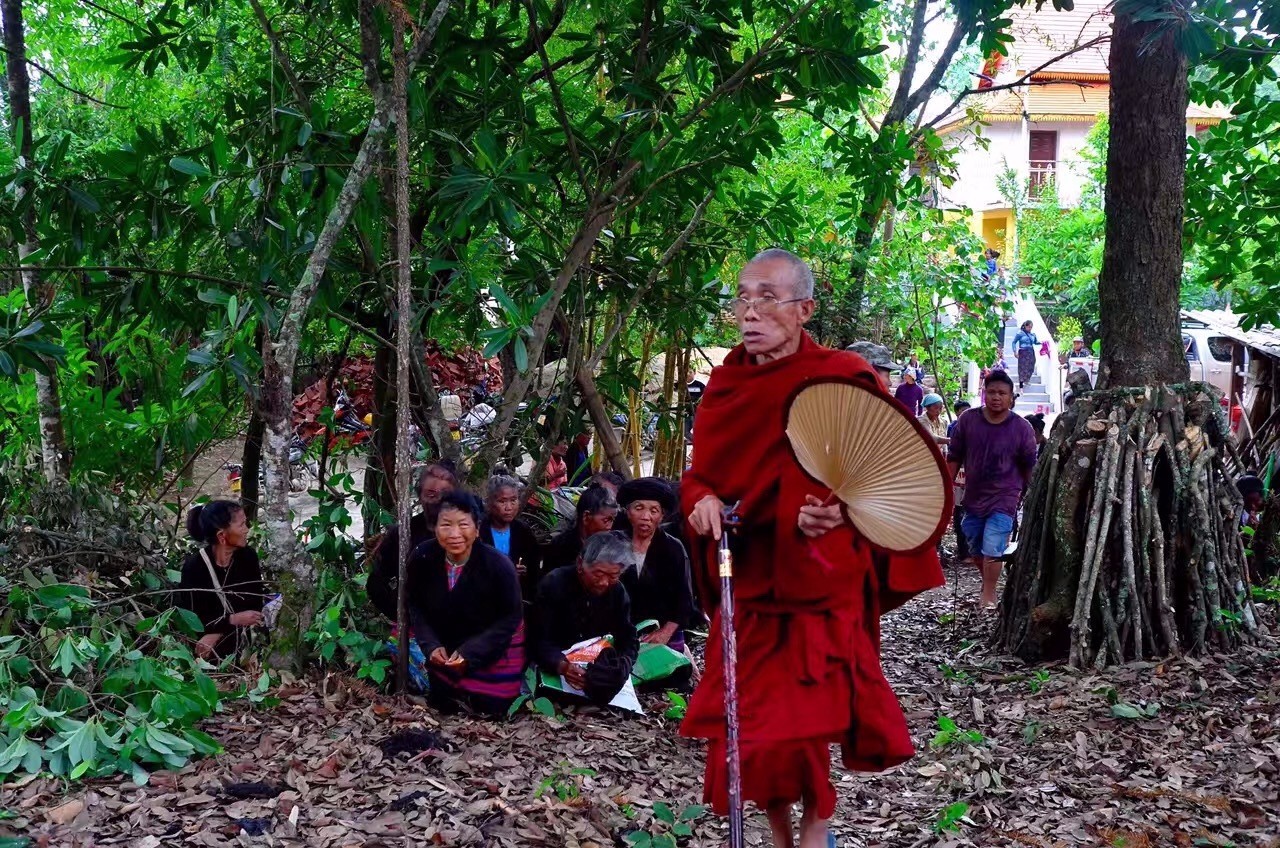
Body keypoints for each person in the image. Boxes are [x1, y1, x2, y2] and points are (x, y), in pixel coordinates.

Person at [681, 248, 945, 848]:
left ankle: (817, 832)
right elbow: (702, 474)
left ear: (805, 309)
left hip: (819, 589)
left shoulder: (843, 377)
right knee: (755, 735)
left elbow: (882, 478)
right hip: (750, 583)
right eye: (742, 297)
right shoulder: (725, 385)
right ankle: (780, 836)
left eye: (767, 297)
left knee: (811, 727)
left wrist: (838, 514)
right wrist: (698, 498)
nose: (751, 311)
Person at [407, 490, 525, 715]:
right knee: (444, 703)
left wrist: (471, 652)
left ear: (477, 528)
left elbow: (511, 617)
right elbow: (415, 605)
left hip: (493, 647)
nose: (454, 534)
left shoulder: (499, 566)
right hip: (447, 648)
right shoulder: (423, 557)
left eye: (463, 525)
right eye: (446, 525)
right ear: (435, 527)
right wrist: (431, 646)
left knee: (491, 708)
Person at [947, 370, 1039, 609]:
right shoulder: (967, 420)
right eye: (991, 392)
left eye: (1002, 393)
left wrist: (1031, 494)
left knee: (993, 545)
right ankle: (988, 583)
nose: (996, 397)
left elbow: (1029, 466)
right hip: (974, 496)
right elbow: (954, 456)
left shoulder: (1022, 428)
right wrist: (945, 488)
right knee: (976, 547)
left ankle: (989, 595)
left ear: (1011, 398)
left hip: (1005, 496)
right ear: (983, 394)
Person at [531, 532, 640, 706]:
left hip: (595, 663)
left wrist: (623, 665)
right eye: (598, 574)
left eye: (613, 576)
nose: (604, 582)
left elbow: (628, 638)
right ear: (581, 564)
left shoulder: (618, 592)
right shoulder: (554, 584)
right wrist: (561, 665)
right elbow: (537, 639)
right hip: (559, 662)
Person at [616, 478, 696, 689]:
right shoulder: (612, 543)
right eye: (638, 508)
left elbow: (684, 599)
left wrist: (665, 633)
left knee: (672, 676)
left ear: (662, 515)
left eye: (654, 510)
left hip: (659, 631)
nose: (646, 517)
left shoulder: (673, 548)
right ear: (627, 511)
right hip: (620, 631)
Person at [367, 461, 459, 621]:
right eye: (431, 494)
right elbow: (376, 583)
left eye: (445, 494)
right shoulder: (403, 534)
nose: (438, 500)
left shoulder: (470, 531)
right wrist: (403, 616)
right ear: (420, 496)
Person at [177, 501, 266, 661]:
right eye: (241, 525)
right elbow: (193, 618)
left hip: (244, 640)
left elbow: (254, 606)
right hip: (209, 648)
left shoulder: (248, 557)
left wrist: (219, 630)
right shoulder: (194, 567)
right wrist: (232, 620)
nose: (247, 530)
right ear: (222, 536)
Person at [480, 474, 545, 601]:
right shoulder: (480, 532)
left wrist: (526, 571)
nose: (509, 507)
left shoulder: (523, 532)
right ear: (489, 503)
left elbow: (535, 567)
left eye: (513, 500)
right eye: (502, 501)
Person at [543, 485, 619, 571]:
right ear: (586, 517)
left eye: (613, 520)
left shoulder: (612, 548)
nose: (610, 526)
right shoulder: (560, 548)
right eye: (606, 520)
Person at [949, 401, 972, 564]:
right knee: (959, 511)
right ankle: (963, 551)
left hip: (972, 475)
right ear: (957, 413)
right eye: (963, 411)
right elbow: (953, 454)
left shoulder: (977, 427)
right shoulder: (954, 427)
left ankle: (970, 549)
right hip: (959, 475)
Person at [1012, 320, 1039, 390]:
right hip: (1023, 352)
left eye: (1031, 327)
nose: (1030, 328)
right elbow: (1014, 342)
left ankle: (1027, 379)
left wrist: (1043, 343)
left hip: (1030, 351)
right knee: (1022, 368)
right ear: (1025, 326)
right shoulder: (1020, 333)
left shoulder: (1032, 335)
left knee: (1031, 365)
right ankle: (1021, 385)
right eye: (1029, 327)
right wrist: (1015, 351)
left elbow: (1036, 342)